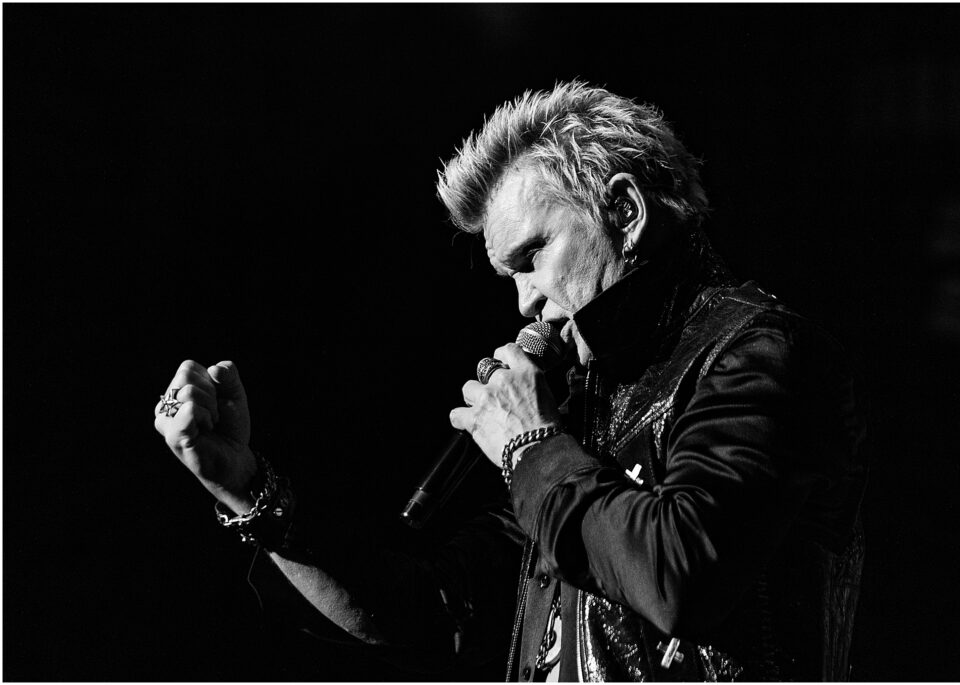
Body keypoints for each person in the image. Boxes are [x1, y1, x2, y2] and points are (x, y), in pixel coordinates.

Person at [154, 81, 867, 681]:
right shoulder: (583, 409)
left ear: (624, 212)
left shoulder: (756, 353)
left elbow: (682, 571)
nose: (524, 300)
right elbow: (430, 604)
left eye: (534, 255)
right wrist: (249, 489)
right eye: (510, 275)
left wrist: (529, 442)